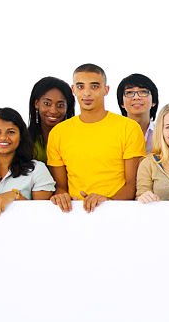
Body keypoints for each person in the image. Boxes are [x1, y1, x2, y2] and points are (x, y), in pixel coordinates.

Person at [47, 63, 146, 213]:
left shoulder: (129, 128)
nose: (86, 93)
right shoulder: (58, 133)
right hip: (75, 213)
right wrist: (61, 197)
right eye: (80, 86)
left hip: (119, 212)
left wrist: (107, 202)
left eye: (94, 86)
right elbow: (61, 187)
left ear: (106, 90)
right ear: (73, 90)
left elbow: (132, 186)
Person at [27, 77, 75, 163]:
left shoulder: (75, 139)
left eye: (60, 105)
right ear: (36, 103)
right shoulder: (24, 140)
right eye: (47, 104)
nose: (53, 111)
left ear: (67, 107)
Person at [116, 73, 159, 152]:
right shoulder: (113, 134)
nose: (136, 97)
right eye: (129, 92)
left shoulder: (163, 133)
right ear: (122, 103)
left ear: (154, 101)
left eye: (143, 92)